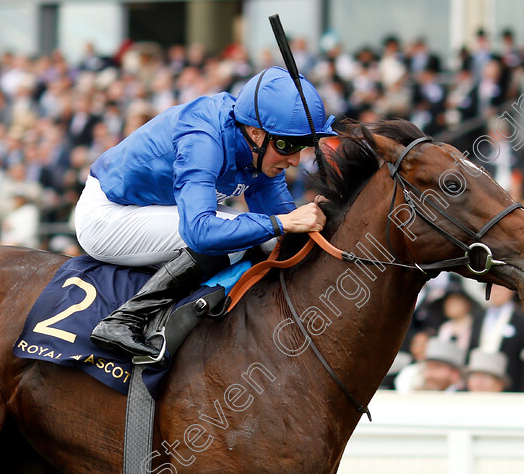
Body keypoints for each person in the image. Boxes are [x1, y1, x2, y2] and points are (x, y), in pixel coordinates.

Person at [73, 66, 337, 360]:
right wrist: (282, 222)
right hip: (108, 215)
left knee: (262, 235)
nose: (295, 160)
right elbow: (200, 231)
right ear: (256, 133)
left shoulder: (261, 150)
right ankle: (124, 319)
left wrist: (321, 221)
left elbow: (283, 233)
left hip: (156, 208)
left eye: (302, 146)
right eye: (287, 145)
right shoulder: (203, 137)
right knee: (236, 235)